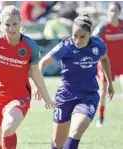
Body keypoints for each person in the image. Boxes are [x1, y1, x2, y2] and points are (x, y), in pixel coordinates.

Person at [0, 5, 54, 149]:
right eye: (7, 25)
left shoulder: (30, 46)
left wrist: (47, 98)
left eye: (15, 24)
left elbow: (36, 73)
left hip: (19, 96)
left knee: (8, 127)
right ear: (2, 25)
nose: (11, 28)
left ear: (20, 22)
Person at [35, 13, 114, 149]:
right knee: (58, 142)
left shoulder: (98, 45)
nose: (77, 40)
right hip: (66, 95)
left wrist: (110, 84)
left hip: (88, 96)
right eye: (74, 36)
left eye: (82, 36)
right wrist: (38, 86)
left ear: (90, 34)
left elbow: (105, 59)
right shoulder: (66, 46)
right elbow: (42, 63)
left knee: (77, 130)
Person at [93, 2, 123, 127]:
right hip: (106, 64)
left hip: (121, 64)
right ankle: (101, 117)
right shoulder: (103, 27)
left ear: (119, 12)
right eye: (111, 10)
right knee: (103, 90)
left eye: (115, 10)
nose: (113, 13)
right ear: (107, 12)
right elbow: (92, 40)